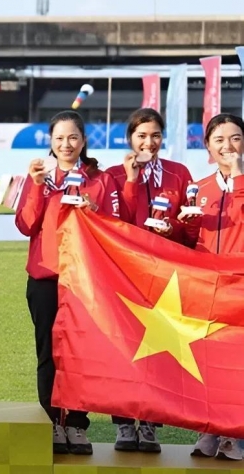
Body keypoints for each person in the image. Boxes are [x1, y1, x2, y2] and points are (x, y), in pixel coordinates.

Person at [15, 110, 121, 456]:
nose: (66, 144)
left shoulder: (100, 180)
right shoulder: (39, 176)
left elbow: (116, 228)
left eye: (73, 137)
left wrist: (94, 210)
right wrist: (35, 185)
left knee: (81, 354)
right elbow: (25, 225)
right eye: (59, 138)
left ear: (84, 140)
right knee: (48, 354)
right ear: (50, 142)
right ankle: (52, 423)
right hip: (45, 278)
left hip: (85, 280)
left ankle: (76, 423)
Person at [106, 107, 193, 453]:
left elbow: (190, 225)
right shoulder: (114, 174)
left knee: (159, 351)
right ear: (130, 138)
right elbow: (117, 223)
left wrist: (174, 228)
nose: (149, 142)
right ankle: (124, 423)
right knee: (124, 348)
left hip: (165, 278)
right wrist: (131, 179)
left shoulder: (178, 173)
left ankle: (151, 424)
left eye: (155, 135)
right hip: (124, 273)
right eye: (141, 135)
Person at [181, 113, 244, 461]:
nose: (227, 146)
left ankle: (234, 434)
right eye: (219, 140)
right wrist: (183, 226)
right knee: (207, 361)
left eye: (235, 138)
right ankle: (208, 429)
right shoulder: (200, 188)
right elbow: (192, 239)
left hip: (241, 287)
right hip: (207, 287)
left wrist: (238, 177)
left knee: (237, 362)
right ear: (207, 146)